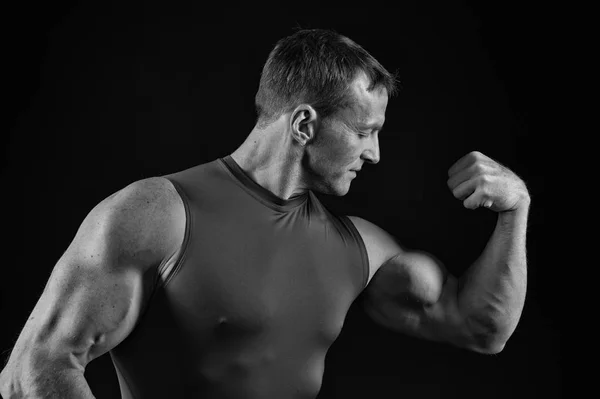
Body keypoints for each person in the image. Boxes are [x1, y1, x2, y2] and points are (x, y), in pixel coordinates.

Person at [0, 28, 530, 399]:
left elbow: (481, 327)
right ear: (303, 124)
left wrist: (516, 211)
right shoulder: (157, 214)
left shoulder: (359, 248)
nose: (374, 154)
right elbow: (34, 369)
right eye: (365, 132)